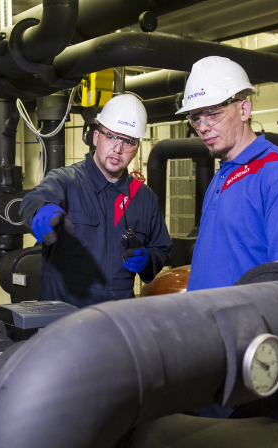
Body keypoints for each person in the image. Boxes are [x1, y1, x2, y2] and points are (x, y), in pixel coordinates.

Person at [19, 94, 172, 308]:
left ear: (137, 147)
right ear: (96, 137)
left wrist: (148, 260)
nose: (118, 149)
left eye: (128, 141)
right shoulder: (66, 180)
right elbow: (34, 200)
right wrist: (40, 210)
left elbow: (161, 249)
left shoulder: (144, 198)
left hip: (116, 321)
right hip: (63, 321)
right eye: (111, 137)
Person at [176, 56, 278, 292]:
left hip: (245, 324)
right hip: (204, 319)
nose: (202, 127)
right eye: (196, 118)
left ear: (244, 110)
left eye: (213, 113)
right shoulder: (223, 173)